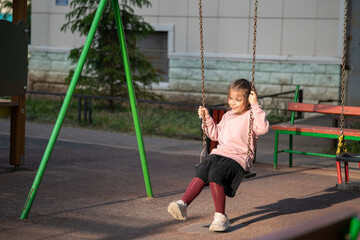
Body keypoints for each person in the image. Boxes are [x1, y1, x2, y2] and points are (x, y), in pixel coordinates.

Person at [167, 78, 269, 232]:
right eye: (231, 99)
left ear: (248, 100)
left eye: (238, 100)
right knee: (203, 168)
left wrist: (255, 105)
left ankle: (220, 217)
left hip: (239, 157)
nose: (233, 103)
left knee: (216, 173)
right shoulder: (228, 116)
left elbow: (263, 129)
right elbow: (215, 134)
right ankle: (183, 204)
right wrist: (206, 117)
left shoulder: (251, 115)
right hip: (220, 153)